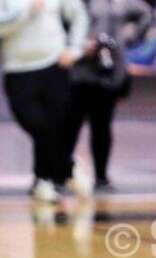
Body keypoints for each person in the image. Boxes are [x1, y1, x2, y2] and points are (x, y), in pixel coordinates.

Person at [0, 0, 92, 202]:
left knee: (54, 125)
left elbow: (79, 15)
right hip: (17, 69)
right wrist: (27, 12)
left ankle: (43, 180)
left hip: (54, 66)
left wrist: (75, 48)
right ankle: (67, 167)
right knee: (35, 123)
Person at [67, 0, 153, 192]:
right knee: (71, 124)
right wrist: (78, 45)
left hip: (108, 72)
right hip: (79, 69)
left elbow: (145, 13)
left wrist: (128, 38)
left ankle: (101, 175)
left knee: (102, 126)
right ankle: (61, 173)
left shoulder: (120, 2)